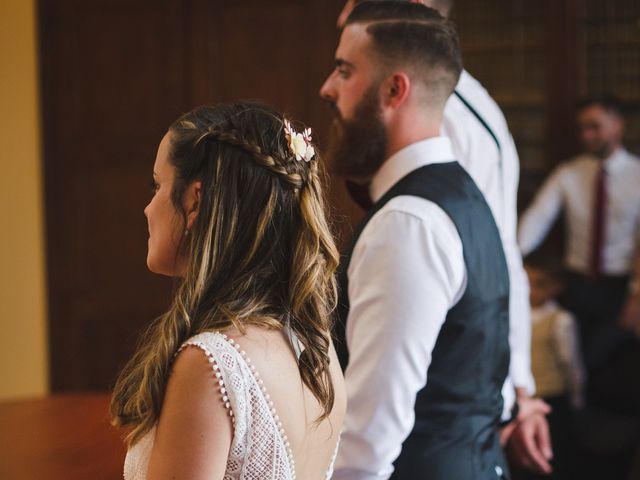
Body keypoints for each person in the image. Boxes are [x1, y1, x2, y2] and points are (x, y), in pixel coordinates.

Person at [336, 0, 552, 475]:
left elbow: (369, 440)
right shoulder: (452, 183)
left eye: (344, 70)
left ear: (396, 89)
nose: (328, 88)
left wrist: (515, 391)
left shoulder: (410, 219)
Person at [110, 101, 346, 480]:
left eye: (158, 185)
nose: (147, 207)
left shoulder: (211, 365)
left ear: (194, 201)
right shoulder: (318, 352)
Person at [519, 95, 640, 480]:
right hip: (573, 287)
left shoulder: (638, 175)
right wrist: (508, 261)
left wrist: (637, 294)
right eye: (582, 128)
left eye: (595, 126)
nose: (587, 135)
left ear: (617, 125)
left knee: (609, 378)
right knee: (568, 366)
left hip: (621, 288)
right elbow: (534, 223)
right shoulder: (569, 174)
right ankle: (570, 459)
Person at [523, 251, 585, 480]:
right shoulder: (516, 314)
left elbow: (572, 364)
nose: (531, 290)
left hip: (552, 402)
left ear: (556, 286)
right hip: (525, 400)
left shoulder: (560, 320)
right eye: (526, 282)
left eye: (539, 284)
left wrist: (577, 398)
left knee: (552, 460)